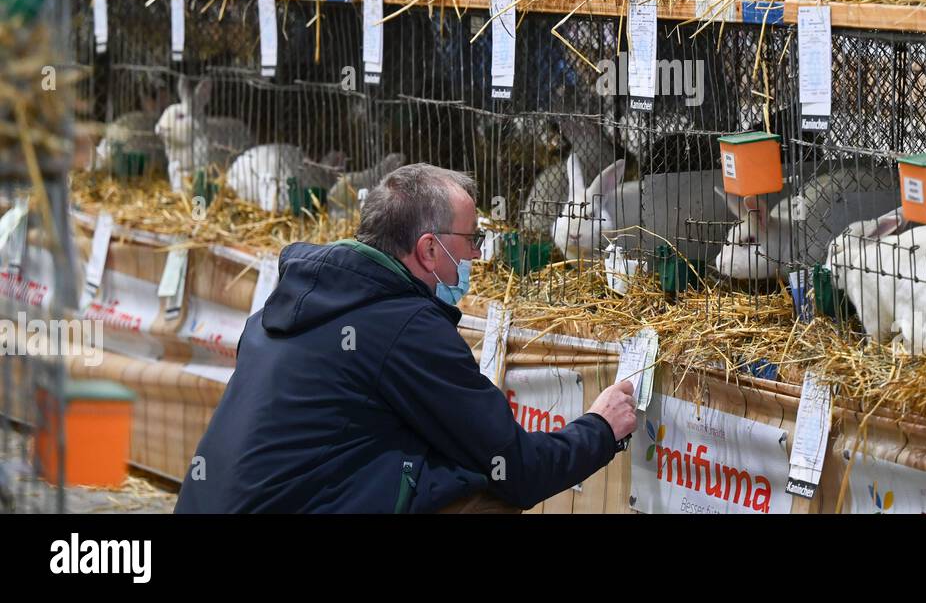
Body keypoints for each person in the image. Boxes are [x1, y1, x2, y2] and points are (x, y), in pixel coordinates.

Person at [175, 163, 637, 513]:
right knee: (485, 494)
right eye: (471, 239)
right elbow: (518, 469)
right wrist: (599, 429)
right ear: (429, 249)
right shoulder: (405, 328)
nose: (478, 253)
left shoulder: (288, 303)